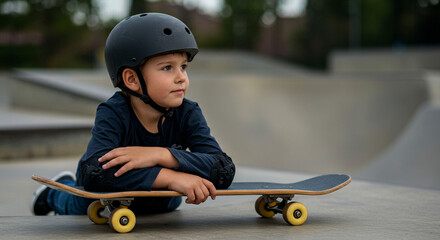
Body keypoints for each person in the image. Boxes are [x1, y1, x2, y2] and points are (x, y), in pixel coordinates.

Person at [31, 12, 235, 215]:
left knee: (166, 206)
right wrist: (171, 177)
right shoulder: (114, 112)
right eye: (167, 68)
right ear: (132, 79)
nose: (181, 77)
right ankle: (52, 193)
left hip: (160, 202)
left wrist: (161, 155)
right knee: (78, 206)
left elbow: (223, 168)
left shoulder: (188, 113)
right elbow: (95, 173)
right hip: (107, 195)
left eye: (183, 67)